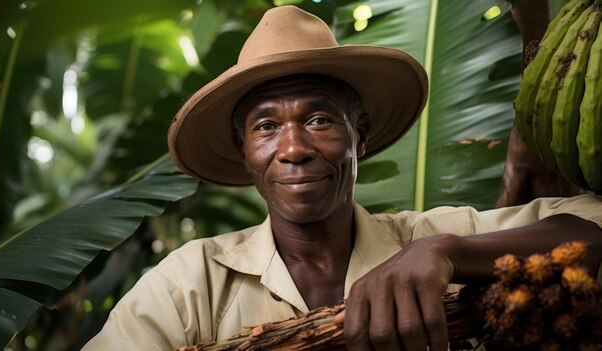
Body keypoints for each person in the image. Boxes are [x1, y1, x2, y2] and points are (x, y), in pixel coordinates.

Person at [83, 5, 602, 351]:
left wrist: (445, 253)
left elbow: (592, 221)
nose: (293, 149)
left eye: (319, 119)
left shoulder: (425, 238)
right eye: (266, 127)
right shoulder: (192, 282)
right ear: (245, 153)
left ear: (360, 133)